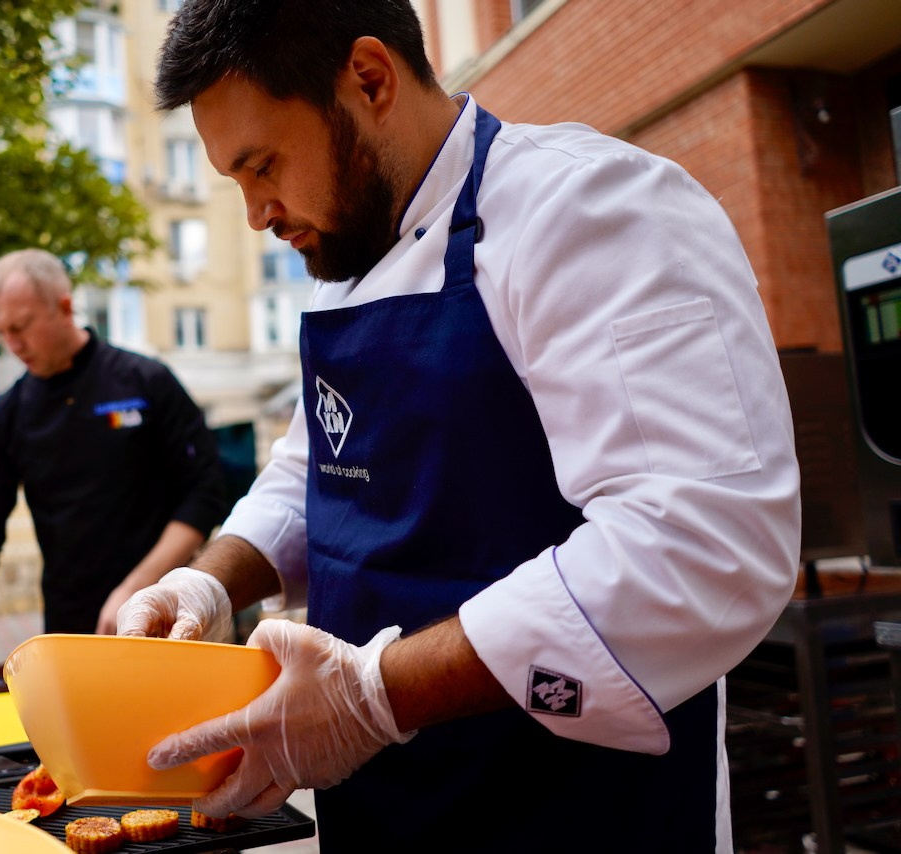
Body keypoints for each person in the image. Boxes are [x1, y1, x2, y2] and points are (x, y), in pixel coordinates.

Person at [115, 2, 802, 852]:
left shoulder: (592, 210)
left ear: (371, 80)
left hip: (577, 813)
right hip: (385, 813)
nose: (257, 213)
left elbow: (702, 546)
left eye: (263, 165)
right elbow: (314, 470)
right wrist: (206, 585)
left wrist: (372, 697)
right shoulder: (345, 259)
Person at [0, 249, 231, 686]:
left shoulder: (146, 382)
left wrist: (138, 590)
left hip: (170, 619)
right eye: (1, 332)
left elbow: (205, 495)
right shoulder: (8, 416)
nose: (12, 344)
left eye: (21, 326)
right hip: (72, 631)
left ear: (64, 307)